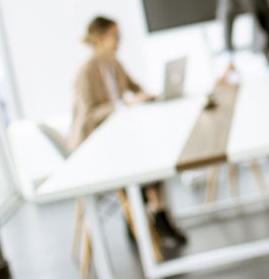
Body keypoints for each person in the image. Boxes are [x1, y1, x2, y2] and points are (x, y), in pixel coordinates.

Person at [67, 16, 187, 247]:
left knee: (152, 155)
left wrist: (148, 95)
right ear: (97, 39)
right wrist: (126, 104)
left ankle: (151, 214)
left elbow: (136, 88)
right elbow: (88, 116)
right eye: (115, 36)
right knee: (143, 161)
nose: (119, 41)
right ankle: (148, 216)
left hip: (119, 140)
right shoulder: (85, 72)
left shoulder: (114, 64)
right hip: (95, 148)